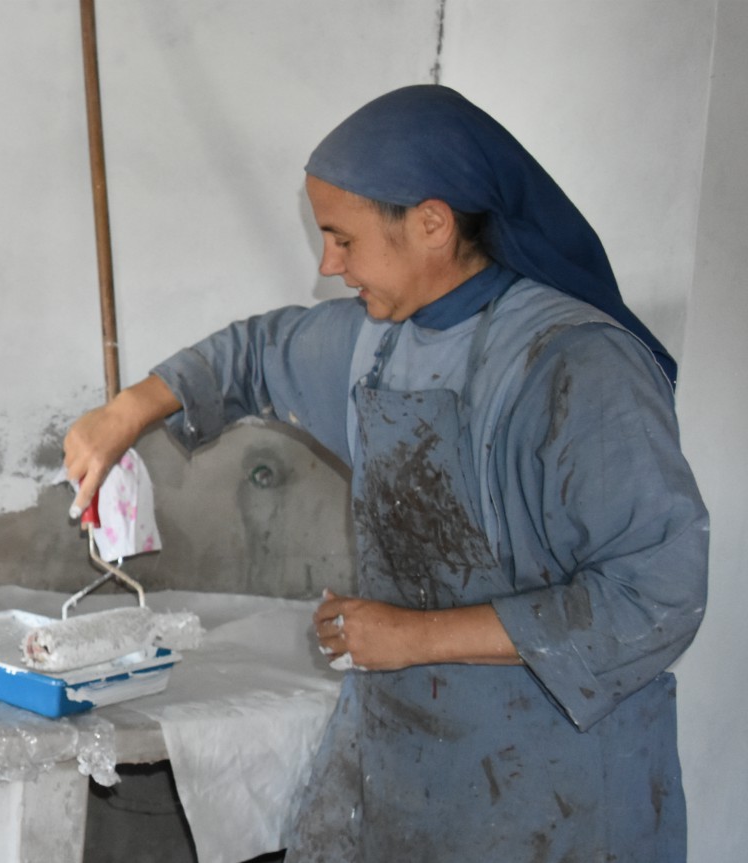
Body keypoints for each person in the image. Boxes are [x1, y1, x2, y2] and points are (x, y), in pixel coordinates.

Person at [64, 85, 706, 861]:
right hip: (408, 767)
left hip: (557, 790)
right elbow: (257, 351)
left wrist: (412, 634)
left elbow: (656, 596)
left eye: (342, 238)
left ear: (431, 223)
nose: (328, 266)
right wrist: (126, 411)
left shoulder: (575, 365)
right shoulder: (377, 340)